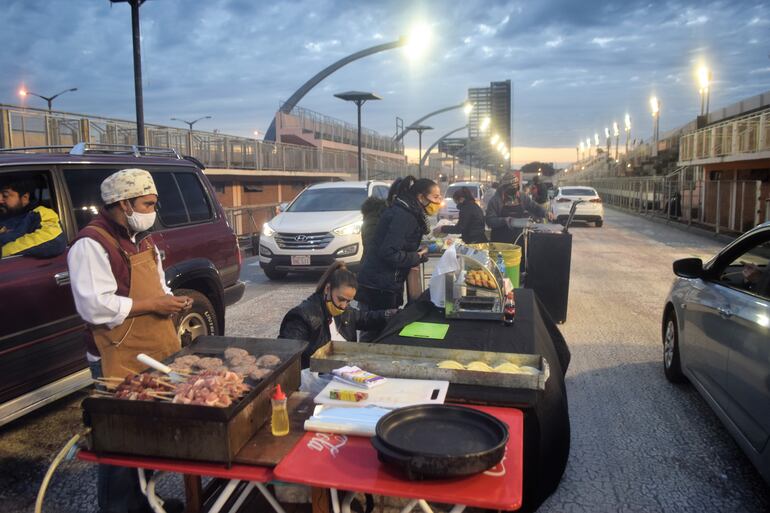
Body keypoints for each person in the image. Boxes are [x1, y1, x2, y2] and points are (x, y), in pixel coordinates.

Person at [67, 168, 188, 513]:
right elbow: (95, 307)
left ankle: (146, 501)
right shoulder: (92, 243)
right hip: (116, 357)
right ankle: (120, 507)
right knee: (120, 443)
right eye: (148, 204)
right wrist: (153, 304)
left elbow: (158, 285)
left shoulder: (141, 239)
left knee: (148, 438)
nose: (154, 211)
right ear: (123, 203)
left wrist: (171, 299)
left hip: (152, 352)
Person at [279, 262, 394, 368]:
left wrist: (391, 314)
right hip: (314, 379)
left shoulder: (345, 312)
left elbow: (365, 318)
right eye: (341, 299)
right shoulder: (303, 317)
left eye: (348, 301)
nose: (343, 306)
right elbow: (286, 353)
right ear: (328, 289)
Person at [356, 176, 441, 310]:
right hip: (379, 286)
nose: (439, 202)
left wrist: (416, 254)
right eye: (435, 197)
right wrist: (416, 256)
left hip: (380, 283)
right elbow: (388, 252)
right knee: (377, 327)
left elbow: (399, 244)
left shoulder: (406, 210)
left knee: (377, 327)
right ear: (421, 197)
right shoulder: (405, 215)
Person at [0, 176, 67, 258]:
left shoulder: (40, 214)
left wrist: (3, 252)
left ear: (25, 197)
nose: (0, 200)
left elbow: (53, 239)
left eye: (5, 195)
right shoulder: (5, 216)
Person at [485, 172, 547, 244]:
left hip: (519, 239)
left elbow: (534, 207)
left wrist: (545, 212)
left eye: (515, 189)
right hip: (500, 242)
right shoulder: (495, 201)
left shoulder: (522, 196)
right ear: (503, 188)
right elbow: (489, 220)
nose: (514, 193)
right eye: (511, 190)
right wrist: (504, 220)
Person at [360, 195, 387, 263]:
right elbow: (371, 247)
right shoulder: (373, 223)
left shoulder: (369, 222)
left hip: (368, 263)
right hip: (373, 265)